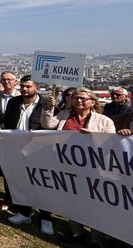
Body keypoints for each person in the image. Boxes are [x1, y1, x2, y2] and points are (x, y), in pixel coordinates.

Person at [41, 87, 115, 245]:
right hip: (68, 167)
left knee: (95, 206)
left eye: (83, 98)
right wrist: (49, 107)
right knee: (72, 202)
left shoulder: (104, 121)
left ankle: (97, 239)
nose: (79, 101)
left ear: (92, 102)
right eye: (75, 98)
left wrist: (93, 138)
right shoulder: (64, 115)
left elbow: (111, 146)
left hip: (94, 171)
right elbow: (47, 124)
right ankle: (77, 233)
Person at [1, 76, 54, 236]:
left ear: (36, 87)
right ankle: (24, 213)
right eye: (23, 86)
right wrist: (0, 128)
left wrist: (51, 108)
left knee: (41, 185)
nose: (25, 89)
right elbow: (8, 123)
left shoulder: (46, 103)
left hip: (37, 150)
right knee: (20, 182)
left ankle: (46, 218)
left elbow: (51, 126)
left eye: (28, 86)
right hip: (16, 150)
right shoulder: (13, 102)